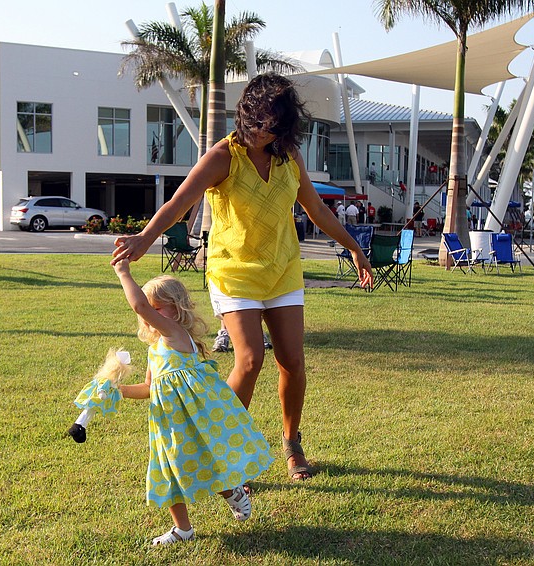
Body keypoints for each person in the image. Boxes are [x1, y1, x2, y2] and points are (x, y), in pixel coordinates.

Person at [112, 73, 373, 481]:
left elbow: (318, 211)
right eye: (255, 121)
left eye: (270, 124)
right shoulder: (223, 156)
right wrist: (145, 238)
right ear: (246, 114)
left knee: (292, 361)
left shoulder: (289, 159)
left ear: (284, 125)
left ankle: (291, 443)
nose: (259, 131)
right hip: (233, 271)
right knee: (250, 359)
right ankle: (224, 452)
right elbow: (180, 203)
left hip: (283, 269)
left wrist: (354, 247)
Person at [112, 270, 273, 546]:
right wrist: (119, 392)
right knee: (169, 470)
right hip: (167, 422)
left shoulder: (175, 334)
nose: (148, 313)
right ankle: (182, 529)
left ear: (176, 310)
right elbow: (150, 388)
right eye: (149, 309)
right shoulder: (155, 349)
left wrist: (123, 271)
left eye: (156, 308)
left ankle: (232, 492)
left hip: (193, 421)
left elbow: (138, 304)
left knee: (207, 461)